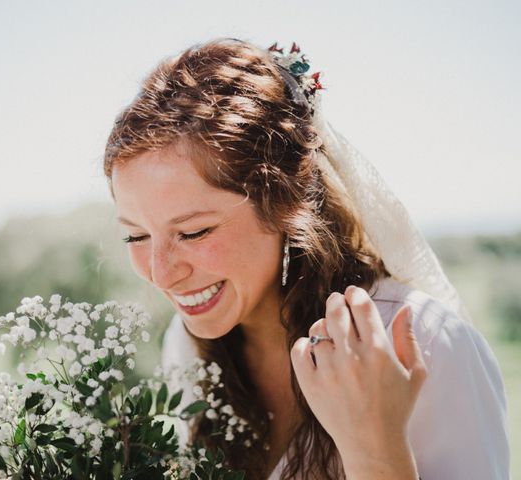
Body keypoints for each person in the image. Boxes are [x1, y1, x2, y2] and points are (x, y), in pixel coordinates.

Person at [103, 38, 510, 479]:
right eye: (135, 236)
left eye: (194, 231)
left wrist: (374, 449)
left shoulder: (423, 344)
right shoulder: (186, 347)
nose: (162, 273)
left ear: (283, 204)